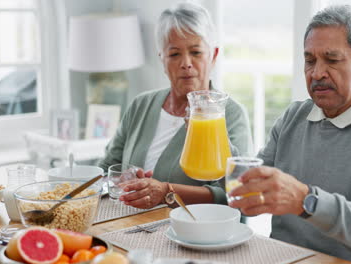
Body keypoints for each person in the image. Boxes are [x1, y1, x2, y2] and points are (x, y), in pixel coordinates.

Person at [229, 5, 351, 264]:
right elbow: (247, 190)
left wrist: (306, 201)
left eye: (332, 60)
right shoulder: (293, 118)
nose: (317, 73)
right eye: (310, 61)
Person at [98, 2, 252, 210]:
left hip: (191, 231)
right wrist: (128, 180)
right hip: (129, 223)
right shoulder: (140, 105)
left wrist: (165, 192)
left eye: (196, 52)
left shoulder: (230, 115)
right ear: (162, 59)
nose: (186, 63)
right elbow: (107, 168)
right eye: (174, 54)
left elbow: (234, 193)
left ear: (213, 56)